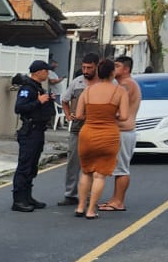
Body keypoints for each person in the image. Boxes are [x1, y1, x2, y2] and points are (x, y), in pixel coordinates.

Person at [72, 59, 129, 220]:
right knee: (99, 175)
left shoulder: (88, 91)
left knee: (86, 172)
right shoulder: (120, 91)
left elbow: (79, 115)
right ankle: (91, 210)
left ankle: (80, 206)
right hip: (108, 135)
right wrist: (113, 114)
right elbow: (124, 116)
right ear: (112, 73)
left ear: (98, 72)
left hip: (87, 133)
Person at [11, 60, 56, 211]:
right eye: (45, 70)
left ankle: (27, 196)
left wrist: (48, 100)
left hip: (38, 131)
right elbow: (19, 108)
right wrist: (38, 101)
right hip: (29, 132)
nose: (47, 73)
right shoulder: (27, 89)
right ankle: (18, 200)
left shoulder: (38, 88)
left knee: (32, 166)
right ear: (37, 72)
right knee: (24, 165)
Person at [100, 55, 141, 213]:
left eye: (117, 66)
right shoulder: (121, 84)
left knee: (122, 168)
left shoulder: (126, 85)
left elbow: (114, 106)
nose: (113, 68)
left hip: (124, 130)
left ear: (126, 69)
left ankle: (118, 201)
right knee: (117, 168)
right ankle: (114, 199)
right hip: (119, 130)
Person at [59, 54, 99, 205]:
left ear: (97, 66)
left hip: (97, 129)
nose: (86, 70)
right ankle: (70, 194)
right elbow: (64, 99)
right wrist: (68, 115)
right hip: (77, 129)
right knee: (73, 161)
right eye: (83, 67)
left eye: (89, 67)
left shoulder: (105, 82)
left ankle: (89, 196)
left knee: (94, 164)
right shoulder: (77, 82)